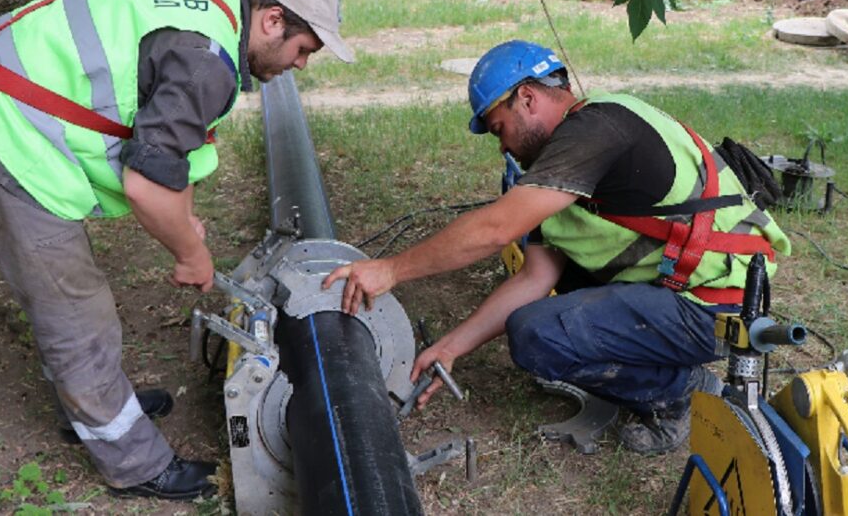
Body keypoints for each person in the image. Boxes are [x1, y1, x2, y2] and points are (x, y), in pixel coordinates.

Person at [0, 0, 353, 499]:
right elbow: (146, 187)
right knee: (75, 306)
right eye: (304, 48)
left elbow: (175, 151)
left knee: (68, 298)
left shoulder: (216, 14)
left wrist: (185, 218)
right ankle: (134, 463)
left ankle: (91, 402)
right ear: (271, 21)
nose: (303, 64)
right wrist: (192, 253)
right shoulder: (206, 62)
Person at [323, 39, 790, 454]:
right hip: (686, 288)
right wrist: (450, 347)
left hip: (720, 306)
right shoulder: (565, 168)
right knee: (547, 310)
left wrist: (390, 270)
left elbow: (493, 230)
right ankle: (665, 363)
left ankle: (681, 389)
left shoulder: (595, 128)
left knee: (536, 333)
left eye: (498, 127)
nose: (502, 147)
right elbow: (535, 277)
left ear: (526, 97)